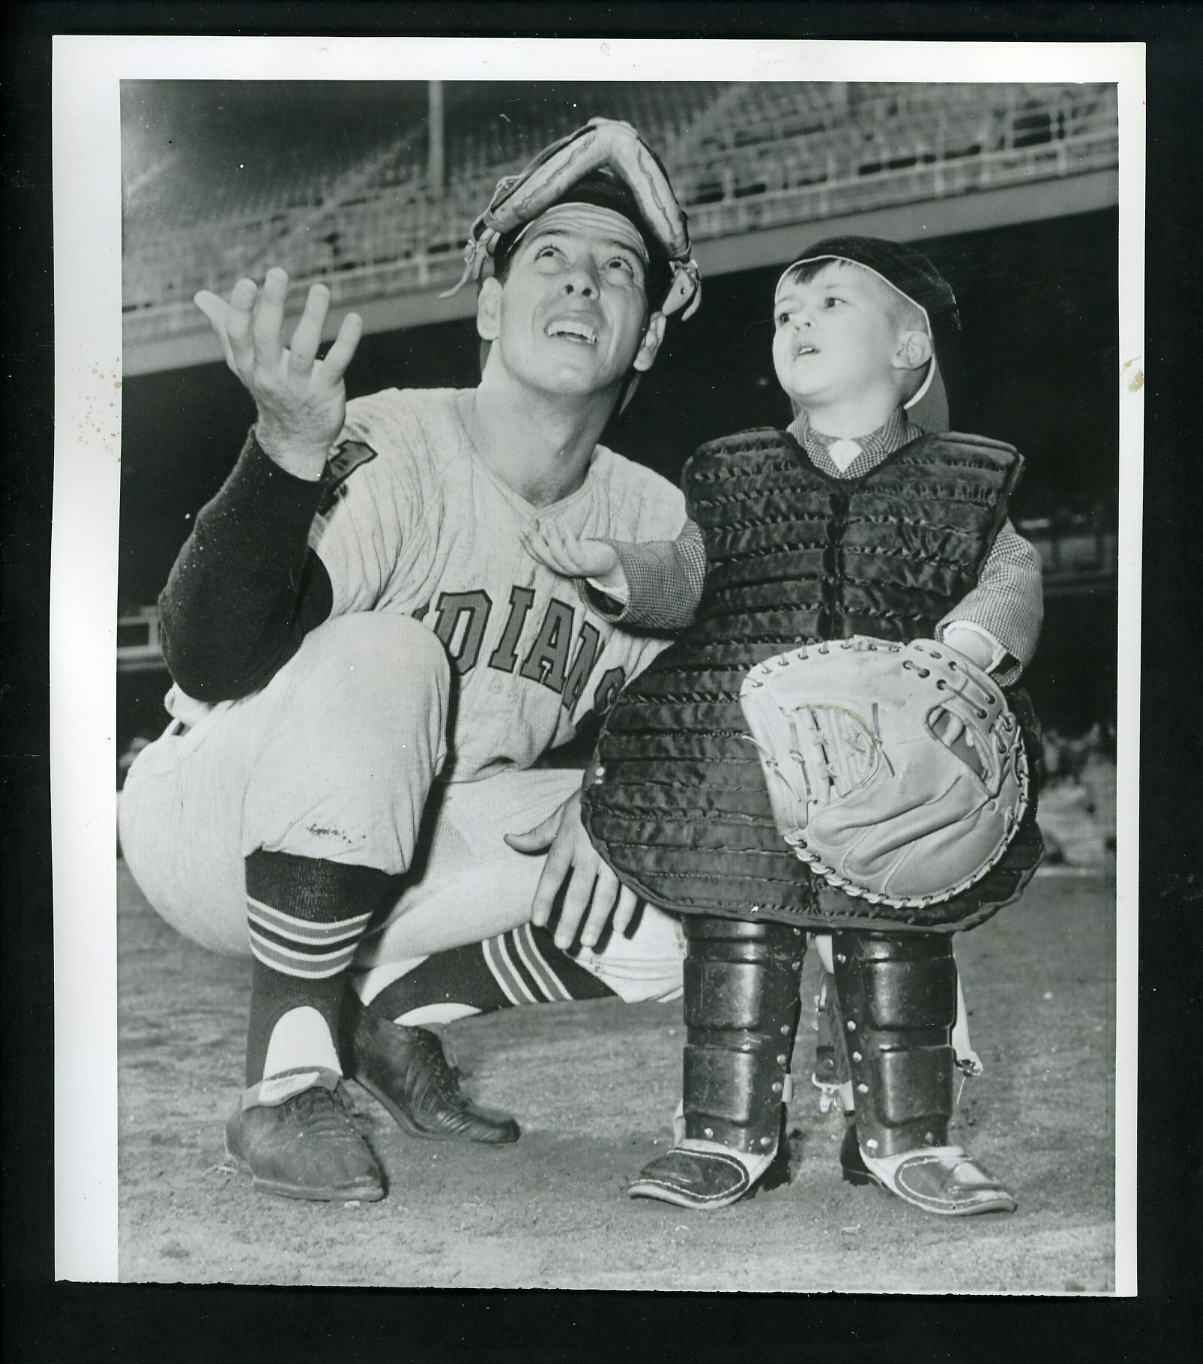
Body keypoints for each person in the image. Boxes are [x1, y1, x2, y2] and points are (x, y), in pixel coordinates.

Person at [118, 120, 704, 1203]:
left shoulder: (658, 518)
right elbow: (207, 652)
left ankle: (387, 1018)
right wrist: (284, 454)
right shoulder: (398, 441)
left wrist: (627, 780)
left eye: (619, 269)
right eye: (551, 258)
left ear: (648, 335)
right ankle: (283, 1081)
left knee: (691, 849)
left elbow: (702, 712)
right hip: (215, 813)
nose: (584, 282)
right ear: (488, 304)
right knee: (395, 651)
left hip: (417, 845)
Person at [525, 236, 1045, 1214]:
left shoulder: (963, 480)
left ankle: (907, 1138)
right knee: (737, 929)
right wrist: (618, 566)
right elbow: (688, 576)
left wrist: (973, 641)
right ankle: (725, 1135)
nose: (798, 322)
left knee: (896, 933)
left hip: (896, 765)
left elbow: (1009, 573)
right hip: (749, 761)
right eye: (783, 313)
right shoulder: (734, 475)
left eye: (831, 303)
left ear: (908, 347)